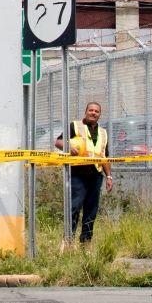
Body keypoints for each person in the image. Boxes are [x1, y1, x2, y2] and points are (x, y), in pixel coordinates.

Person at [55, 100, 113, 243]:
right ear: (86, 112)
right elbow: (58, 142)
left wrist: (109, 176)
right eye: (91, 110)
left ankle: (86, 242)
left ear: (100, 115)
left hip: (96, 176)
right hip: (78, 175)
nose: (93, 113)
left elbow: (104, 156)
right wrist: (68, 147)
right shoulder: (75, 126)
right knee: (74, 208)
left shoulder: (103, 133)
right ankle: (68, 241)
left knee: (91, 211)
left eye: (96, 111)